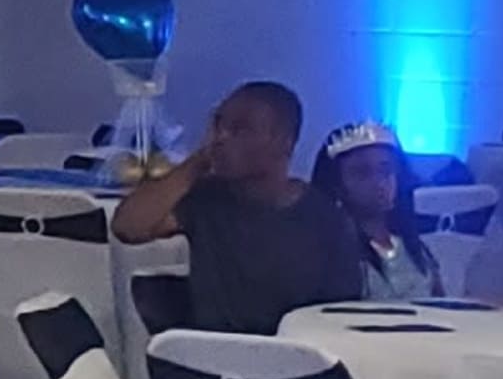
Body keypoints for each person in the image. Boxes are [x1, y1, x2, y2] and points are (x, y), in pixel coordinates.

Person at [111, 78, 363, 329]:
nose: (221, 138)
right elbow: (129, 226)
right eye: (219, 126)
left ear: (284, 141)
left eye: (240, 130)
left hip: (293, 357)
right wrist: (199, 160)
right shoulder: (207, 198)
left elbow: (337, 317)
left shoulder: (327, 221)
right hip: (214, 357)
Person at [311, 120, 446, 303]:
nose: (379, 183)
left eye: (386, 170)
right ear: (337, 184)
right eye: (362, 173)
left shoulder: (416, 247)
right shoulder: (327, 251)